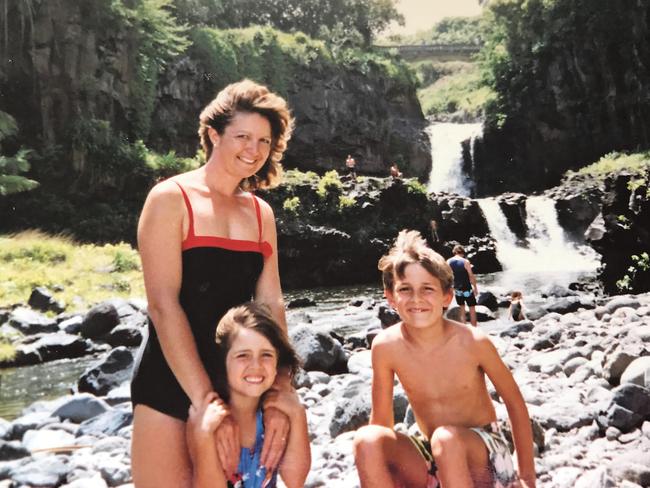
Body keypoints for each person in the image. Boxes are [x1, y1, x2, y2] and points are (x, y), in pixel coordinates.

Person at [131, 79, 295, 487]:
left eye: (264, 140)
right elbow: (163, 305)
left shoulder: (261, 214)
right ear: (213, 134)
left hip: (240, 385)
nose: (253, 150)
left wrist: (281, 391)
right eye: (242, 136)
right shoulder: (170, 199)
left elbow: (271, 305)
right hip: (168, 382)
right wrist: (205, 403)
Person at [353, 230, 536, 488]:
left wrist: (527, 476)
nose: (416, 299)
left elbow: (515, 403)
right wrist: (382, 461)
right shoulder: (385, 346)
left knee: (446, 439)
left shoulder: (473, 342)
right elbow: (382, 424)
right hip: (433, 454)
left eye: (427, 289)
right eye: (405, 289)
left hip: (484, 456)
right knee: (367, 439)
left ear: (447, 296)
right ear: (391, 297)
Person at [187, 303, 310, 488]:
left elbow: (295, 480)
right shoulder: (208, 419)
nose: (256, 365)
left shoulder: (277, 414)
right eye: (243, 355)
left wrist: (298, 414)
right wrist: (203, 436)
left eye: (266, 355)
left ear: (278, 363)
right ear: (223, 363)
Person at [447, 244, 479, 327]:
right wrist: (475, 288)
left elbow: (448, 276)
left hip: (457, 289)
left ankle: (464, 329)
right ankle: (474, 329)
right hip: (467, 289)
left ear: (454, 252)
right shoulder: (465, 261)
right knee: (472, 308)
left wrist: (450, 288)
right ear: (462, 252)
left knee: (462, 309)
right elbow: (471, 276)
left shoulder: (449, 262)